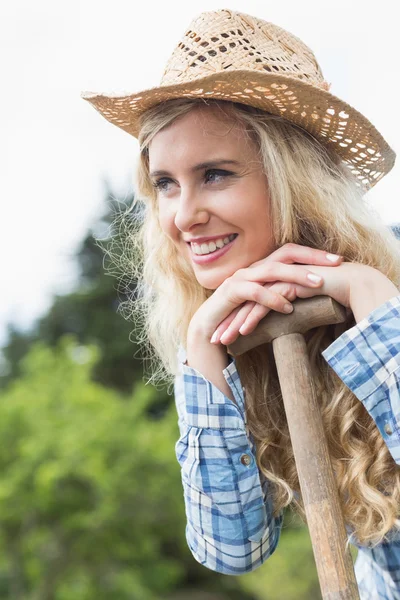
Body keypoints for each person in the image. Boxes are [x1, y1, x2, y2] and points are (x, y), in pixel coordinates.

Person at [81, 9, 400, 599]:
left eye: (216, 174)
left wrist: (375, 302)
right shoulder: (235, 343)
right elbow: (233, 549)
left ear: (293, 179)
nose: (183, 215)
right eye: (167, 184)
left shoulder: (386, 297)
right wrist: (202, 353)